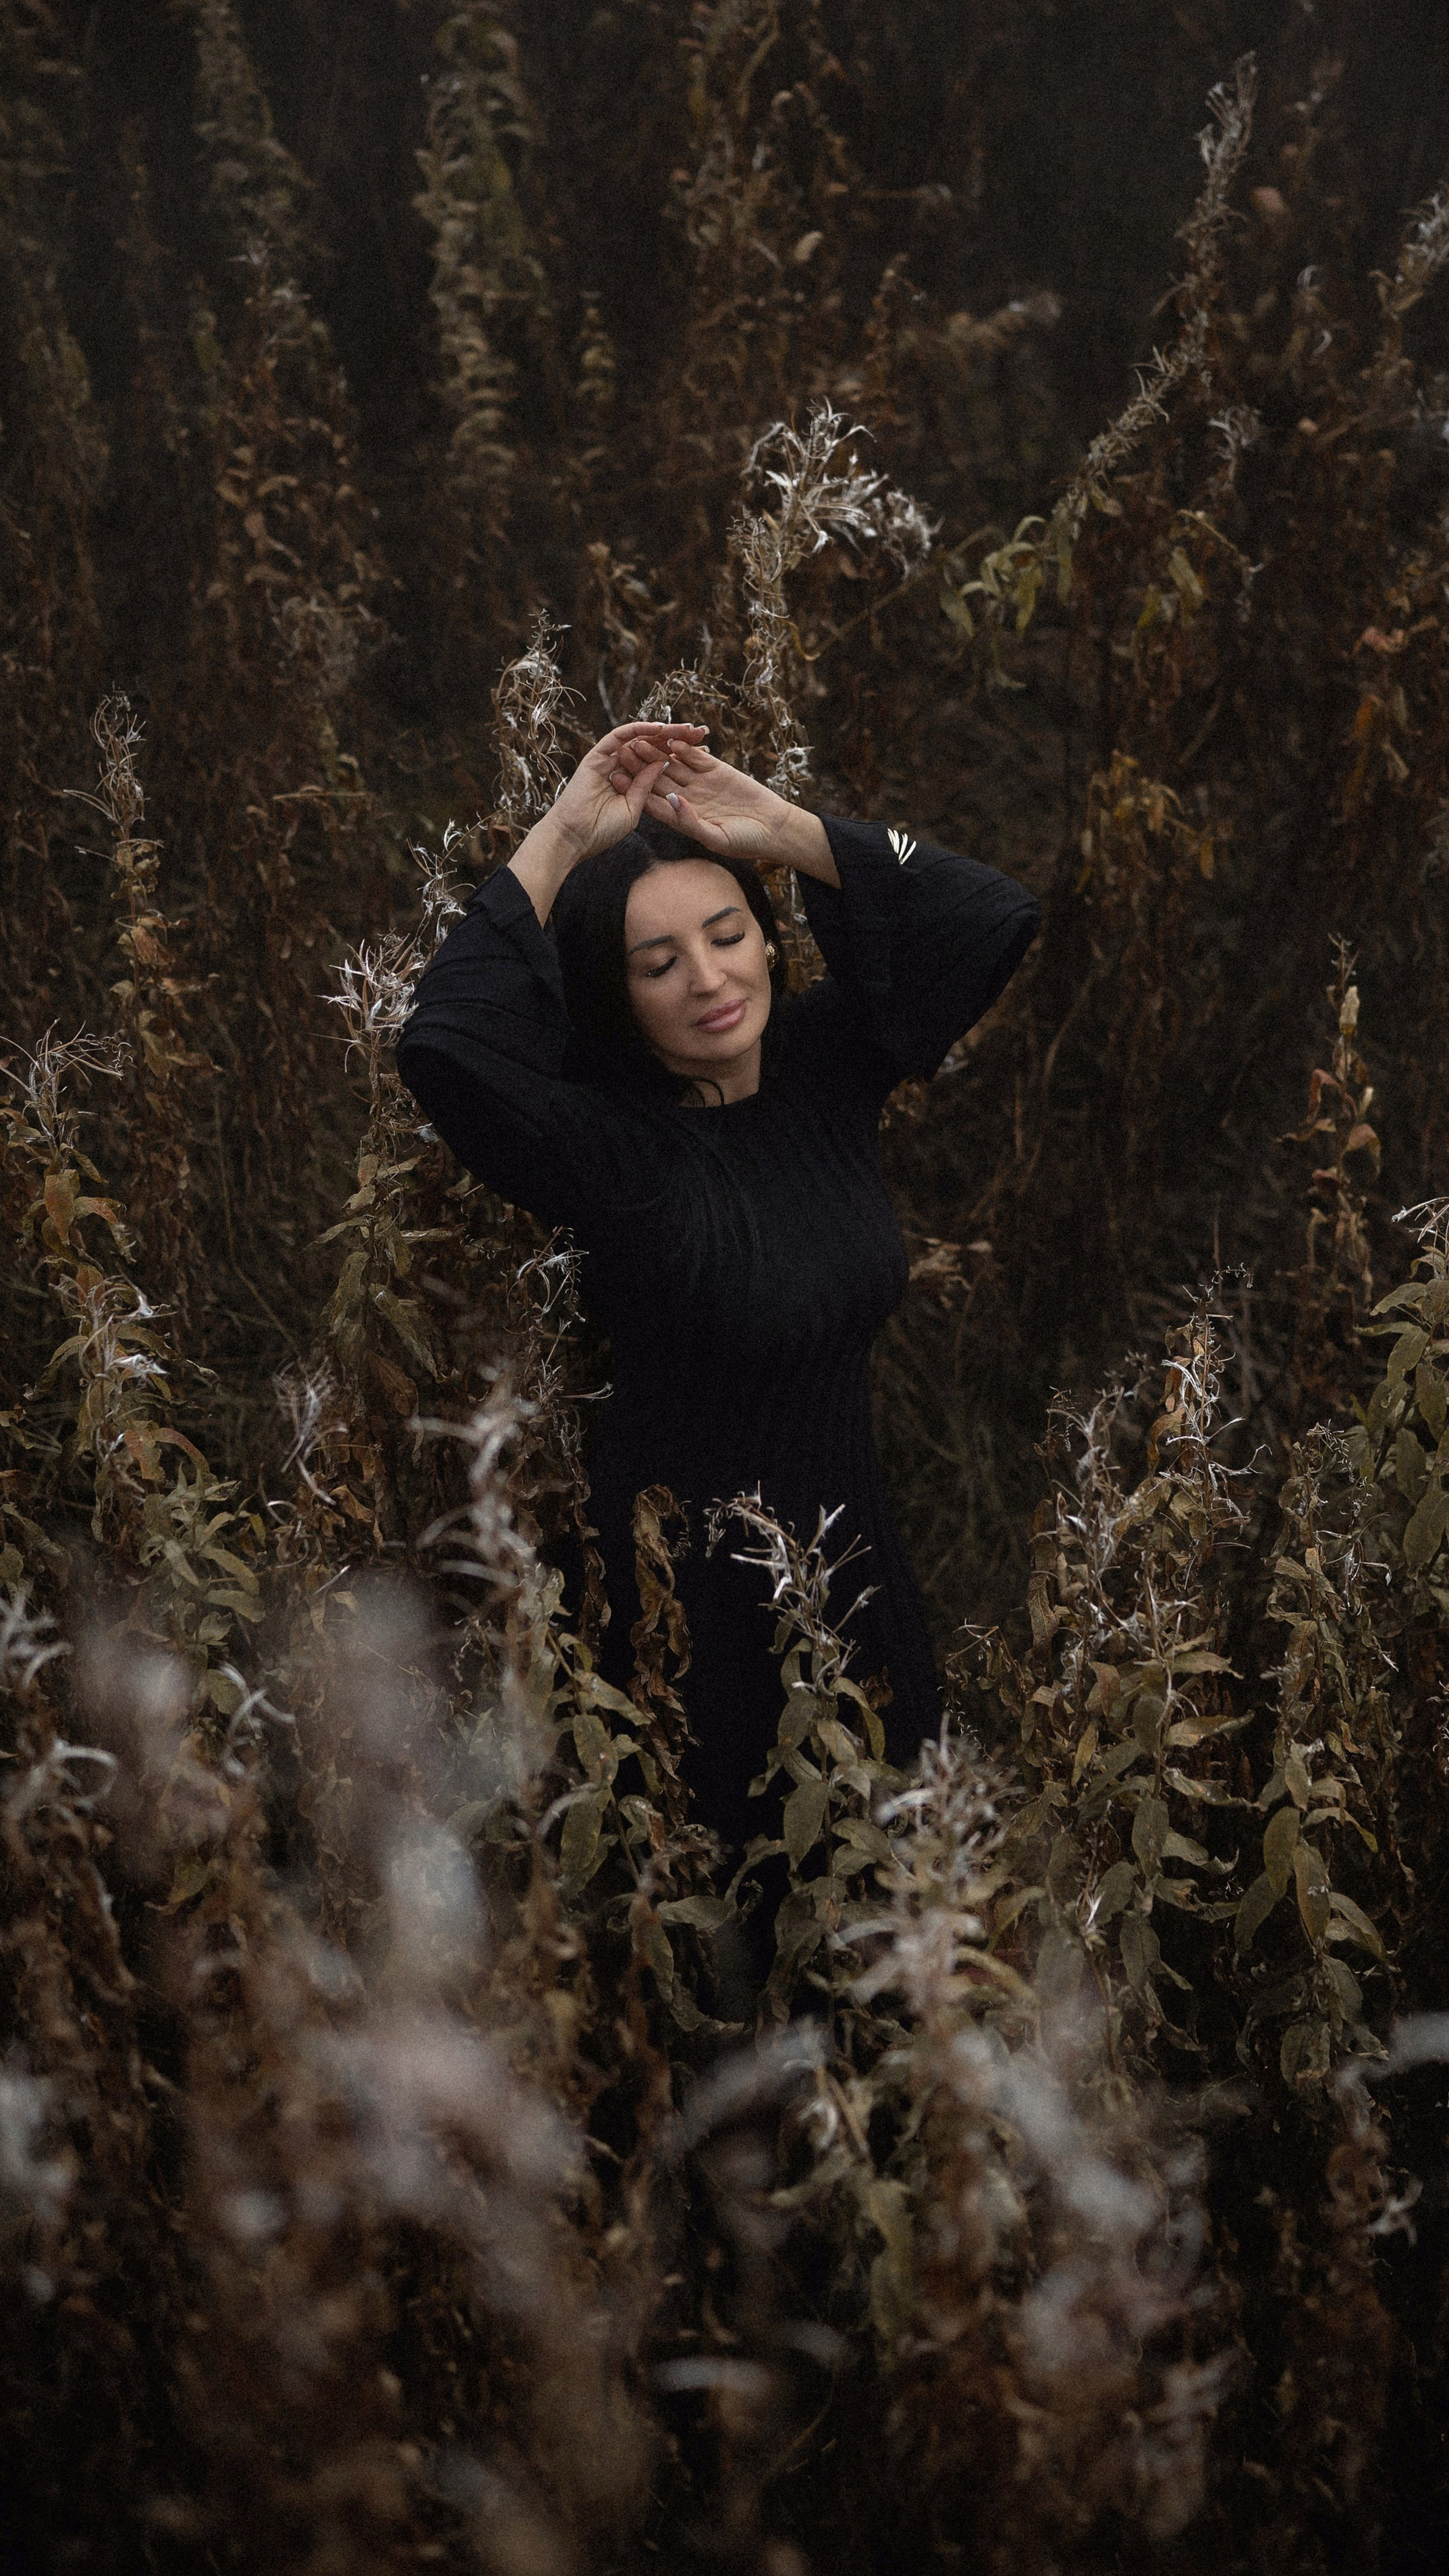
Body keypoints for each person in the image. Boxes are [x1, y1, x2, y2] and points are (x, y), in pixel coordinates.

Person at [397, 720, 1040, 1862]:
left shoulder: (826, 1065)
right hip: (689, 1623)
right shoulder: (608, 1150)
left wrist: (784, 829)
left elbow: (990, 915)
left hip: (858, 1574)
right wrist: (563, 834)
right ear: (617, 998)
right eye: (658, 965)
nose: (709, 979)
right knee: (737, 1917)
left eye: (729, 934)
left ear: (768, 944)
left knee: (899, 1906)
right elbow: (445, 1039)